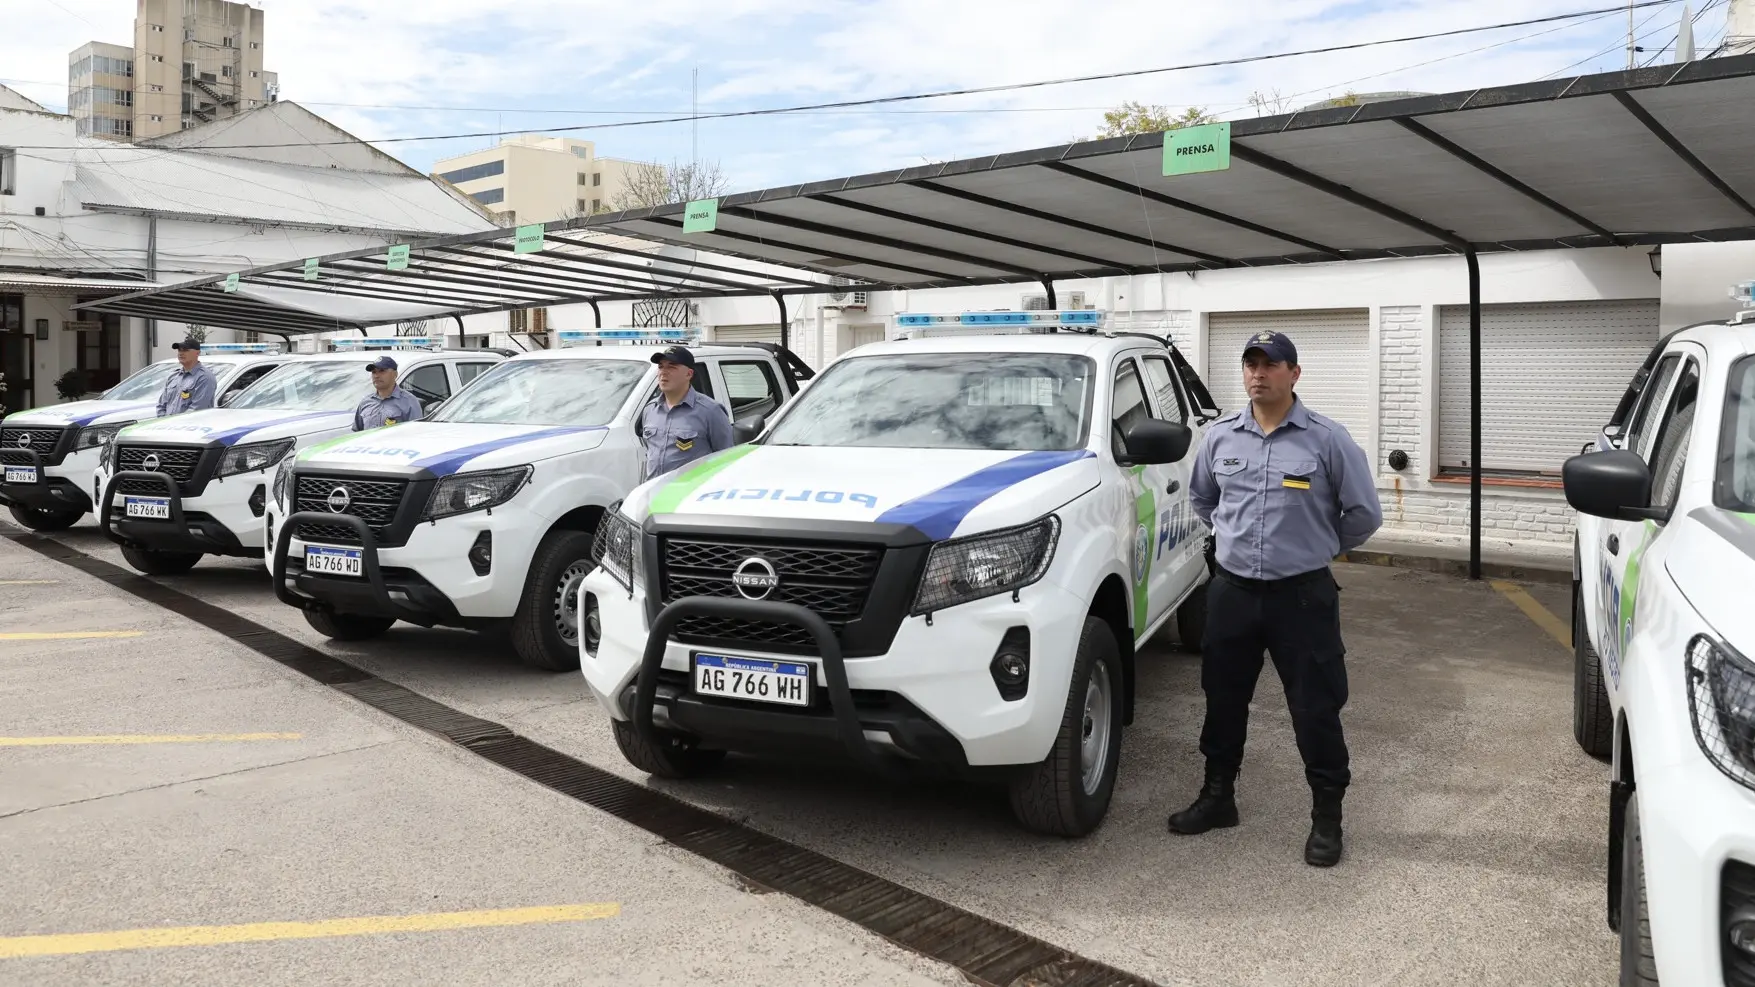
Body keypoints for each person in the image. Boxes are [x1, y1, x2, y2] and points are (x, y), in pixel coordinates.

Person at [1169, 330, 1383, 867]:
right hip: (1233, 592)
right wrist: (1231, 543)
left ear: (1295, 373)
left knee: (1316, 709)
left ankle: (1327, 820)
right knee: (1222, 701)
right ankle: (1218, 798)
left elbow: (1363, 515)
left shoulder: (1327, 440)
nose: (1258, 374)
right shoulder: (1220, 437)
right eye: (1250, 364)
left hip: (1302, 598)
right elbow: (1203, 498)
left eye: (1271, 364)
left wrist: (1319, 548)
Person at [638, 345, 733, 480]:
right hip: (655, 494)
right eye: (660, 367)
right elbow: (650, 455)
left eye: (671, 367)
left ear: (689, 374)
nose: (663, 372)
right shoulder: (650, 410)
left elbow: (726, 459)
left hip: (690, 495)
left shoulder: (711, 411)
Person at [352, 355, 425, 431]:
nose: (376, 376)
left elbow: (416, 433)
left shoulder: (409, 401)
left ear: (395, 374)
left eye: (382, 371)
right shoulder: (365, 402)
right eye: (374, 372)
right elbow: (357, 434)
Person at [155, 338, 218, 417]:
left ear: (197, 353)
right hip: (167, 427)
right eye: (179, 350)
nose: (181, 353)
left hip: (190, 427)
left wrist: (173, 424)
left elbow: (197, 410)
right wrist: (162, 422)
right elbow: (161, 405)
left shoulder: (205, 377)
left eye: (185, 350)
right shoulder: (173, 376)